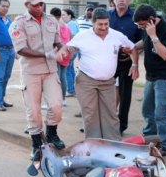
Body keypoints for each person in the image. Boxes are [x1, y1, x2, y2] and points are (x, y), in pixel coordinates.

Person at [56, 8, 139, 140]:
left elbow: (133, 48)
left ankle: (112, 144)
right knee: (90, 114)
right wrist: (65, 51)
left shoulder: (116, 35)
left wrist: (135, 65)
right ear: (92, 22)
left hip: (108, 82)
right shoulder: (83, 35)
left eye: (106, 24)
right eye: (100, 24)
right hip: (86, 81)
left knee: (110, 114)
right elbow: (70, 47)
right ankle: (94, 145)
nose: (103, 27)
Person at [9, 0, 65, 167]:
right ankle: (36, 144)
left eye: (41, 4)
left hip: (50, 71)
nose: (40, 7)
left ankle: (51, 134)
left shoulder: (51, 20)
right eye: (35, 5)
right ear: (27, 5)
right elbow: (21, 49)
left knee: (56, 106)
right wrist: (46, 54)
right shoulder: (18, 24)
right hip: (30, 72)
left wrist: (62, 48)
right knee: (33, 110)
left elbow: (57, 41)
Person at [134, 4, 166, 156]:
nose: (140, 28)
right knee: (147, 110)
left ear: (151, 20)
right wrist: (132, 47)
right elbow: (145, 43)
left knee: (162, 114)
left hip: (165, 78)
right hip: (151, 76)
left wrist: (153, 35)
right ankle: (149, 139)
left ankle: (164, 146)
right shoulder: (147, 29)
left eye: (142, 25)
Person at [108, 0, 142, 135]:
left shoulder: (136, 17)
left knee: (125, 94)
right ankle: (102, 122)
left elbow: (143, 40)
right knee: (103, 92)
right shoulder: (107, 16)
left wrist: (134, 54)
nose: (121, 0)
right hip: (108, 61)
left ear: (129, 0)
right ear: (114, 0)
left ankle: (121, 126)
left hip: (127, 62)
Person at [50, 7, 72, 106]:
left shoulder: (56, 25)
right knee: (62, 77)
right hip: (66, 52)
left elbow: (54, 40)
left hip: (59, 53)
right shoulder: (66, 25)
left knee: (57, 78)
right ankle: (63, 99)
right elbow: (72, 36)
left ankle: (57, 100)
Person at [61, 8, 79, 98]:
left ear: (69, 16)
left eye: (64, 14)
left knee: (68, 70)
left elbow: (72, 38)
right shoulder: (71, 23)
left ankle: (70, 90)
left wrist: (70, 51)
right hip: (72, 50)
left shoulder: (71, 24)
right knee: (70, 70)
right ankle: (72, 89)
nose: (62, 16)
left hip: (71, 50)